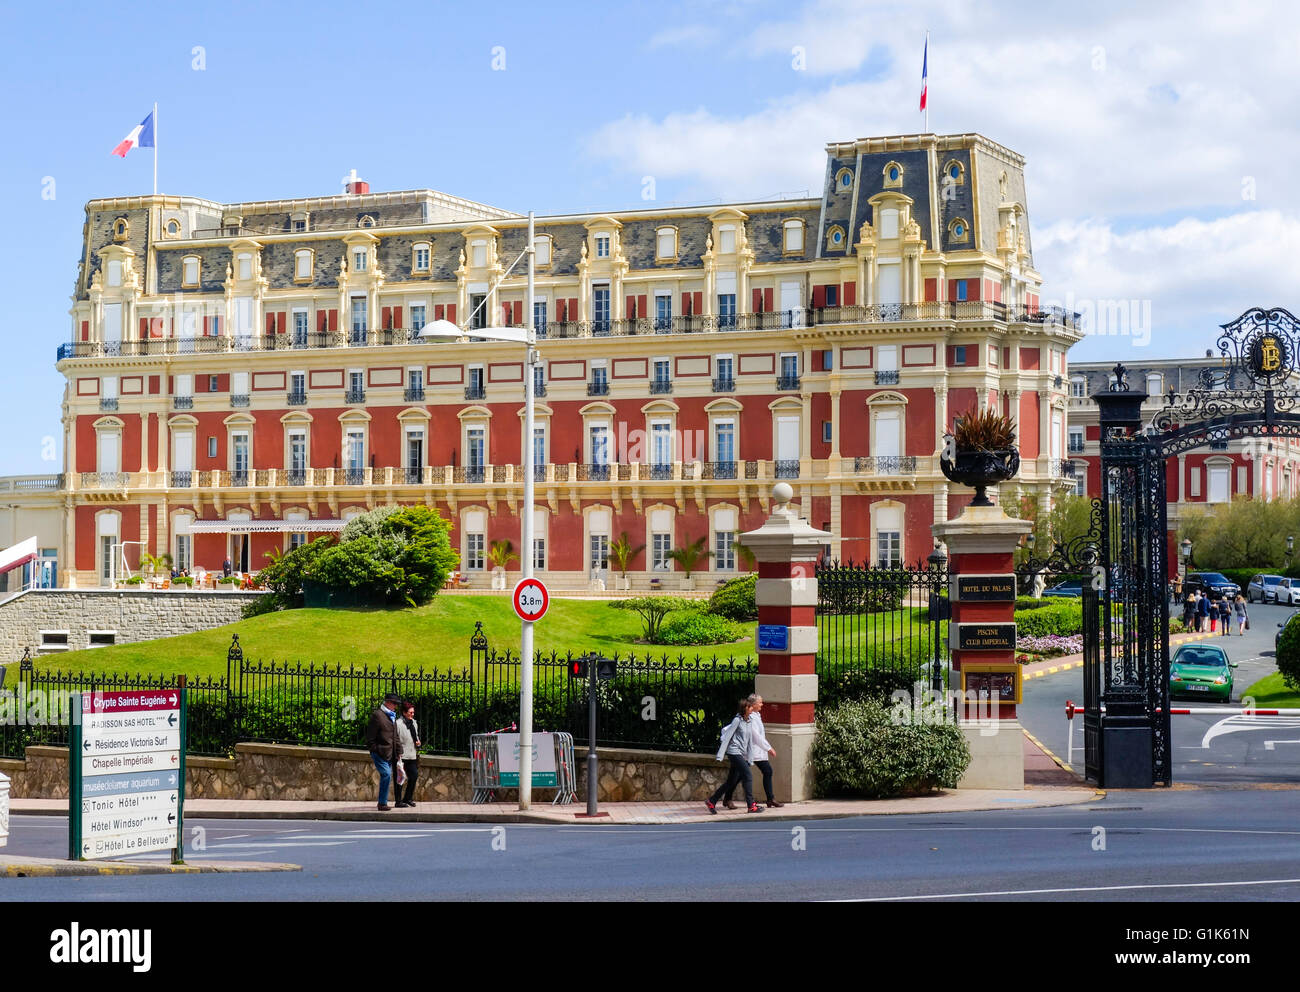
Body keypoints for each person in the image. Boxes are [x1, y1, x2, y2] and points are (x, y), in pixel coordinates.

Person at [723, 693, 783, 810]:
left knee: (766, 771)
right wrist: (768, 748)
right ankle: (727, 798)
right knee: (737, 776)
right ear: (754, 704)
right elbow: (756, 736)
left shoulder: (756, 715)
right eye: (760, 702)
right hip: (748, 751)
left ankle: (770, 798)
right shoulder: (750, 717)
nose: (762, 704)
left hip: (757, 751)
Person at [706, 700, 764, 815]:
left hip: (741, 753)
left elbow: (749, 740)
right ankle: (751, 805)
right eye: (749, 707)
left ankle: (711, 801)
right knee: (747, 776)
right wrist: (720, 755)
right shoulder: (737, 720)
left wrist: (750, 757)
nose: (752, 708)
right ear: (744, 709)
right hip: (733, 752)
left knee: (731, 782)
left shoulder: (750, 721)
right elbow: (727, 737)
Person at [364, 692, 401, 811]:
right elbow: (370, 737)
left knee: (387, 775)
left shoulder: (391, 716)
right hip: (380, 752)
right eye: (394, 703)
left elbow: (395, 736)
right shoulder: (378, 715)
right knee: (386, 774)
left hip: (389, 753)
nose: (396, 706)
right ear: (388, 702)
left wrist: (399, 750)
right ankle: (382, 803)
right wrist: (376, 749)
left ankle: (382, 803)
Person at [394, 700, 421, 808]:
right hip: (401, 755)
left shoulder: (414, 722)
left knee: (414, 776)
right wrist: (398, 752)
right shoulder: (398, 724)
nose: (412, 714)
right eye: (410, 712)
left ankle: (407, 798)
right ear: (404, 712)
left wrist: (418, 742)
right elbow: (396, 739)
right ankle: (398, 801)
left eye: (413, 712)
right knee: (400, 779)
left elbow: (416, 735)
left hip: (412, 754)